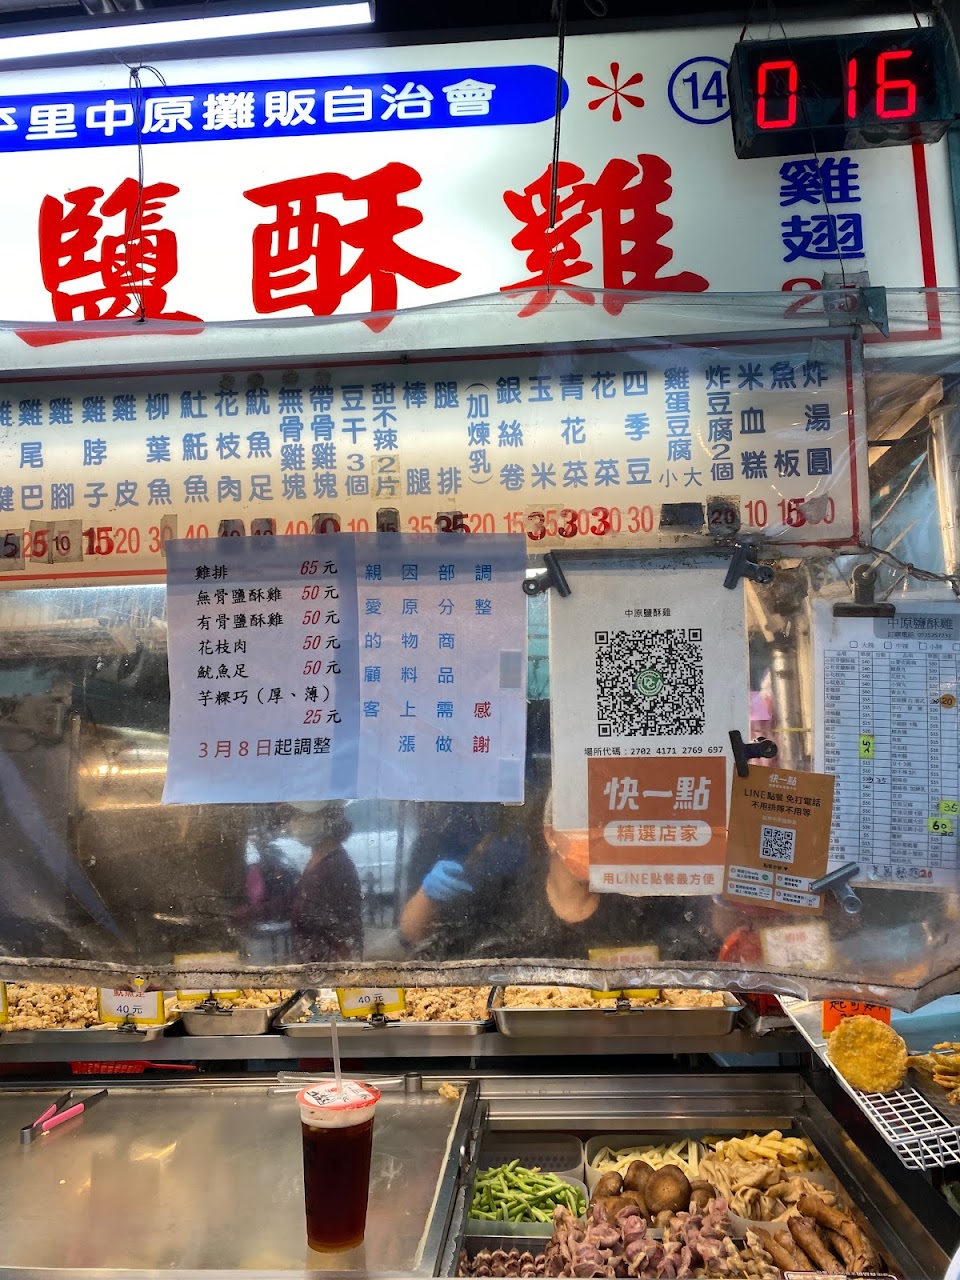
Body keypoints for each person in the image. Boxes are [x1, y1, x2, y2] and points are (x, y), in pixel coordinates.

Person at [285, 803, 364, 963]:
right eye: (296, 815)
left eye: (305, 816)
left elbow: (341, 930)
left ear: (328, 820)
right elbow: (298, 901)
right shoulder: (317, 861)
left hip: (328, 966)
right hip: (312, 961)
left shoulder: (337, 866)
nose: (297, 822)